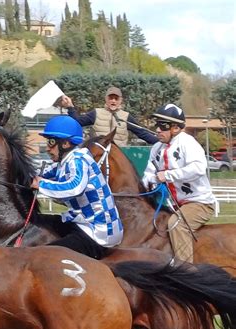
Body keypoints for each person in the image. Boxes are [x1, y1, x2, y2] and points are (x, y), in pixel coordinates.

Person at [31, 115, 123, 259]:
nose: (47, 148)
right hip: (82, 224)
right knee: (38, 222)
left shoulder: (78, 160)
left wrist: (41, 184)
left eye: (51, 142)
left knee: (45, 256)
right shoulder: (64, 162)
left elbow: (74, 188)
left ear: (66, 143)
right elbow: (40, 174)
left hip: (98, 234)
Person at [141, 104, 216, 263]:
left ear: (175, 128)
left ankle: (186, 270)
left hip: (200, 203)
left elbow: (198, 168)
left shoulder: (188, 142)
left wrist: (167, 175)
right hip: (176, 205)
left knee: (176, 224)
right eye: (157, 125)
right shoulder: (156, 148)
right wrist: (146, 185)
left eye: (163, 126)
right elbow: (149, 174)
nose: (158, 130)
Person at [55, 86, 158, 146]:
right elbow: (77, 122)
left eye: (116, 98)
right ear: (106, 99)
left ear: (120, 100)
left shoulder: (126, 117)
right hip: (97, 157)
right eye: (111, 98)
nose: (113, 101)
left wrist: (161, 141)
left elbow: (143, 134)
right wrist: (70, 107)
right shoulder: (96, 113)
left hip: (118, 159)